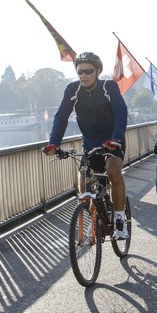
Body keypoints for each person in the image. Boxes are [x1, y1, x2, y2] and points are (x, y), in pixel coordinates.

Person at [42, 52, 129, 240]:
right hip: (90, 142)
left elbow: (121, 114)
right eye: (80, 72)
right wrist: (54, 144)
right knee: (84, 184)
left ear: (97, 71)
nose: (83, 75)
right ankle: (95, 219)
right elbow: (61, 116)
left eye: (88, 71)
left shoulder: (109, 87)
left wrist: (116, 139)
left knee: (113, 171)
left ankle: (120, 221)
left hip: (112, 141)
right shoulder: (72, 90)